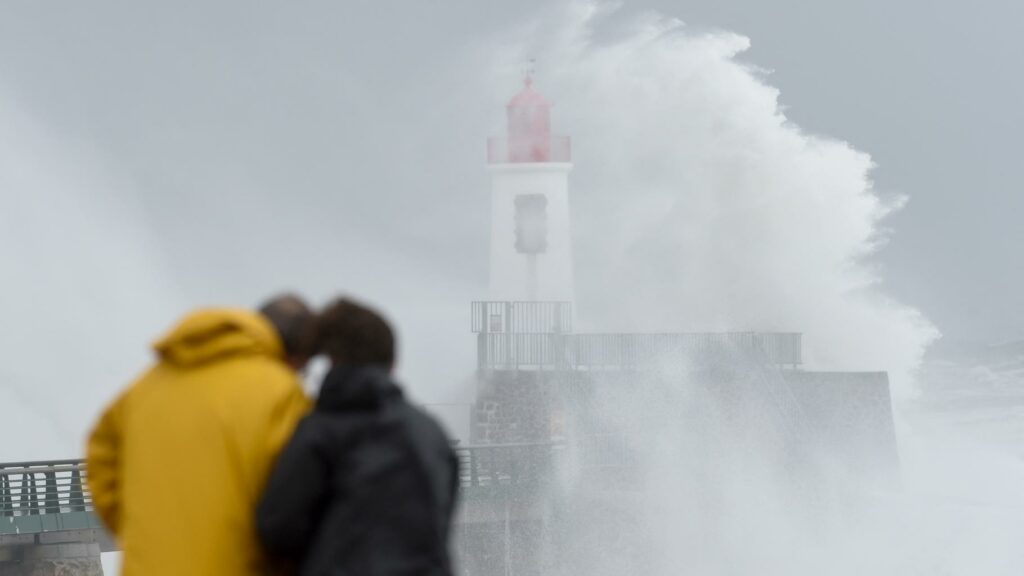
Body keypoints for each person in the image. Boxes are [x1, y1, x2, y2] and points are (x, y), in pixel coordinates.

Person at [86, 295, 315, 576]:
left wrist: (142, 530)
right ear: (295, 355)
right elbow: (293, 504)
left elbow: (101, 464)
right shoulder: (283, 394)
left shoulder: (144, 388)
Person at [257, 297, 459, 576]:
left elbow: (278, 527)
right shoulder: (432, 434)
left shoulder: (320, 430)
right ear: (392, 364)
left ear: (332, 361)